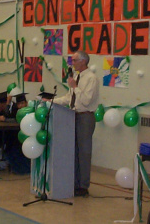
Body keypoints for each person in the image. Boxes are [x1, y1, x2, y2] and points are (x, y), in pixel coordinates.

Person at [52, 50, 99, 197]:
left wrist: (74, 87)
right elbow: (68, 98)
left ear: (83, 61)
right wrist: (51, 101)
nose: (72, 63)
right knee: (74, 151)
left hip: (85, 117)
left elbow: (86, 100)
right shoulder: (77, 77)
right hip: (73, 115)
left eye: (74, 60)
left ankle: (83, 186)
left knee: (84, 152)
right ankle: (74, 182)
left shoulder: (91, 78)